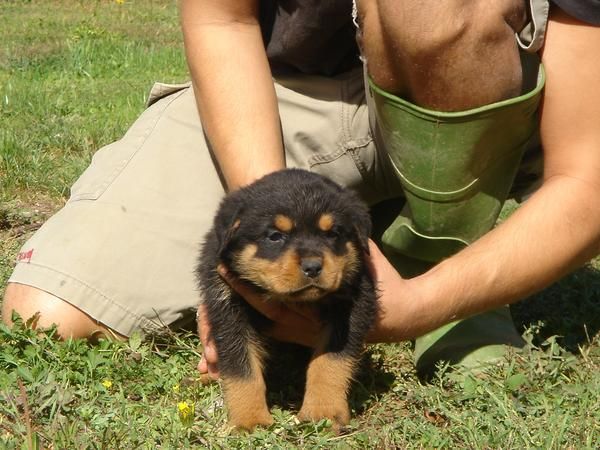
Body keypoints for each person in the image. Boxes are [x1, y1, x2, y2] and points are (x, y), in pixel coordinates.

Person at [3, 0, 600, 380]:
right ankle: (350, 252)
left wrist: (417, 307)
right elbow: (221, 19)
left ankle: (442, 254)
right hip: (284, 95)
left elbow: (588, 178)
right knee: (45, 316)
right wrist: (260, 216)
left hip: (487, 115)